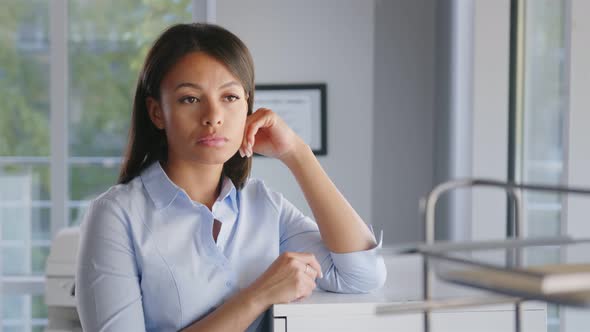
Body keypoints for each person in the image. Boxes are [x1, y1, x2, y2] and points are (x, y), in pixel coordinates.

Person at [75, 22, 386, 332]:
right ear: (157, 112)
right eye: (190, 99)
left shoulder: (262, 204)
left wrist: (296, 153)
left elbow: (360, 274)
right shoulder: (116, 216)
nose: (213, 116)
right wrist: (259, 295)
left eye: (230, 97)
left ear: (248, 106)